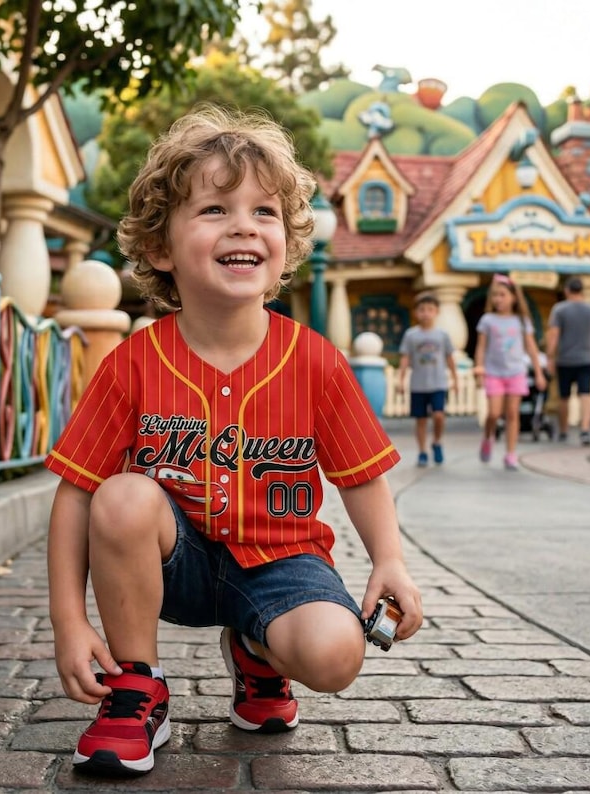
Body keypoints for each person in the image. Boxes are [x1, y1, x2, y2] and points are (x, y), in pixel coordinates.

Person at [44, 104, 423, 777]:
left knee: (336, 655)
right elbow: (75, 494)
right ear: (161, 247)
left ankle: (258, 656)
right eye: (215, 210)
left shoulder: (315, 361)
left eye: (264, 212)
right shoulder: (132, 363)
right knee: (121, 495)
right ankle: (137, 687)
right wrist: (70, 623)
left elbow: (360, 473)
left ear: (284, 244)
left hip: (282, 563)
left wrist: (389, 559)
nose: (244, 224)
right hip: (175, 564)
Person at [473, 273, 546, 470]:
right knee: (494, 413)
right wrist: (479, 368)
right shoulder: (487, 320)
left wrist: (539, 372)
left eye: (503, 295)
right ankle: (488, 437)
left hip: (516, 372)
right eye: (495, 295)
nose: (498, 299)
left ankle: (510, 454)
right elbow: (481, 347)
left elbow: (531, 348)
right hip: (494, 373)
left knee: (513, 413)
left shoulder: (522, 321)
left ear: (514, 297)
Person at [397, 292, 458, 467]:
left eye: (430, 309)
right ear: (416, 312)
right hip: (418, 384)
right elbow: (405, 358)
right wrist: (400, 380)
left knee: (439, 415)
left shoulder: (442, 335)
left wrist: (455, 379)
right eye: (422, 309)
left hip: (439, 383)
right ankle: (422, 451)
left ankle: (437, 441)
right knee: (421, 419)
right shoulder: (411, 335)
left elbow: (450, 358)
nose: (426, 313)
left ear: (436, 311)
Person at [545, 276, 590, 446]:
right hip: (586, 358)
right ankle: (585, 430)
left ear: (567, 290)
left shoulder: (559, 310)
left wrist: (550, 357)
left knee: (564, 397)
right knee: (585, 395)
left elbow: (554, 335)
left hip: (565, 359)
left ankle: (564, 431)